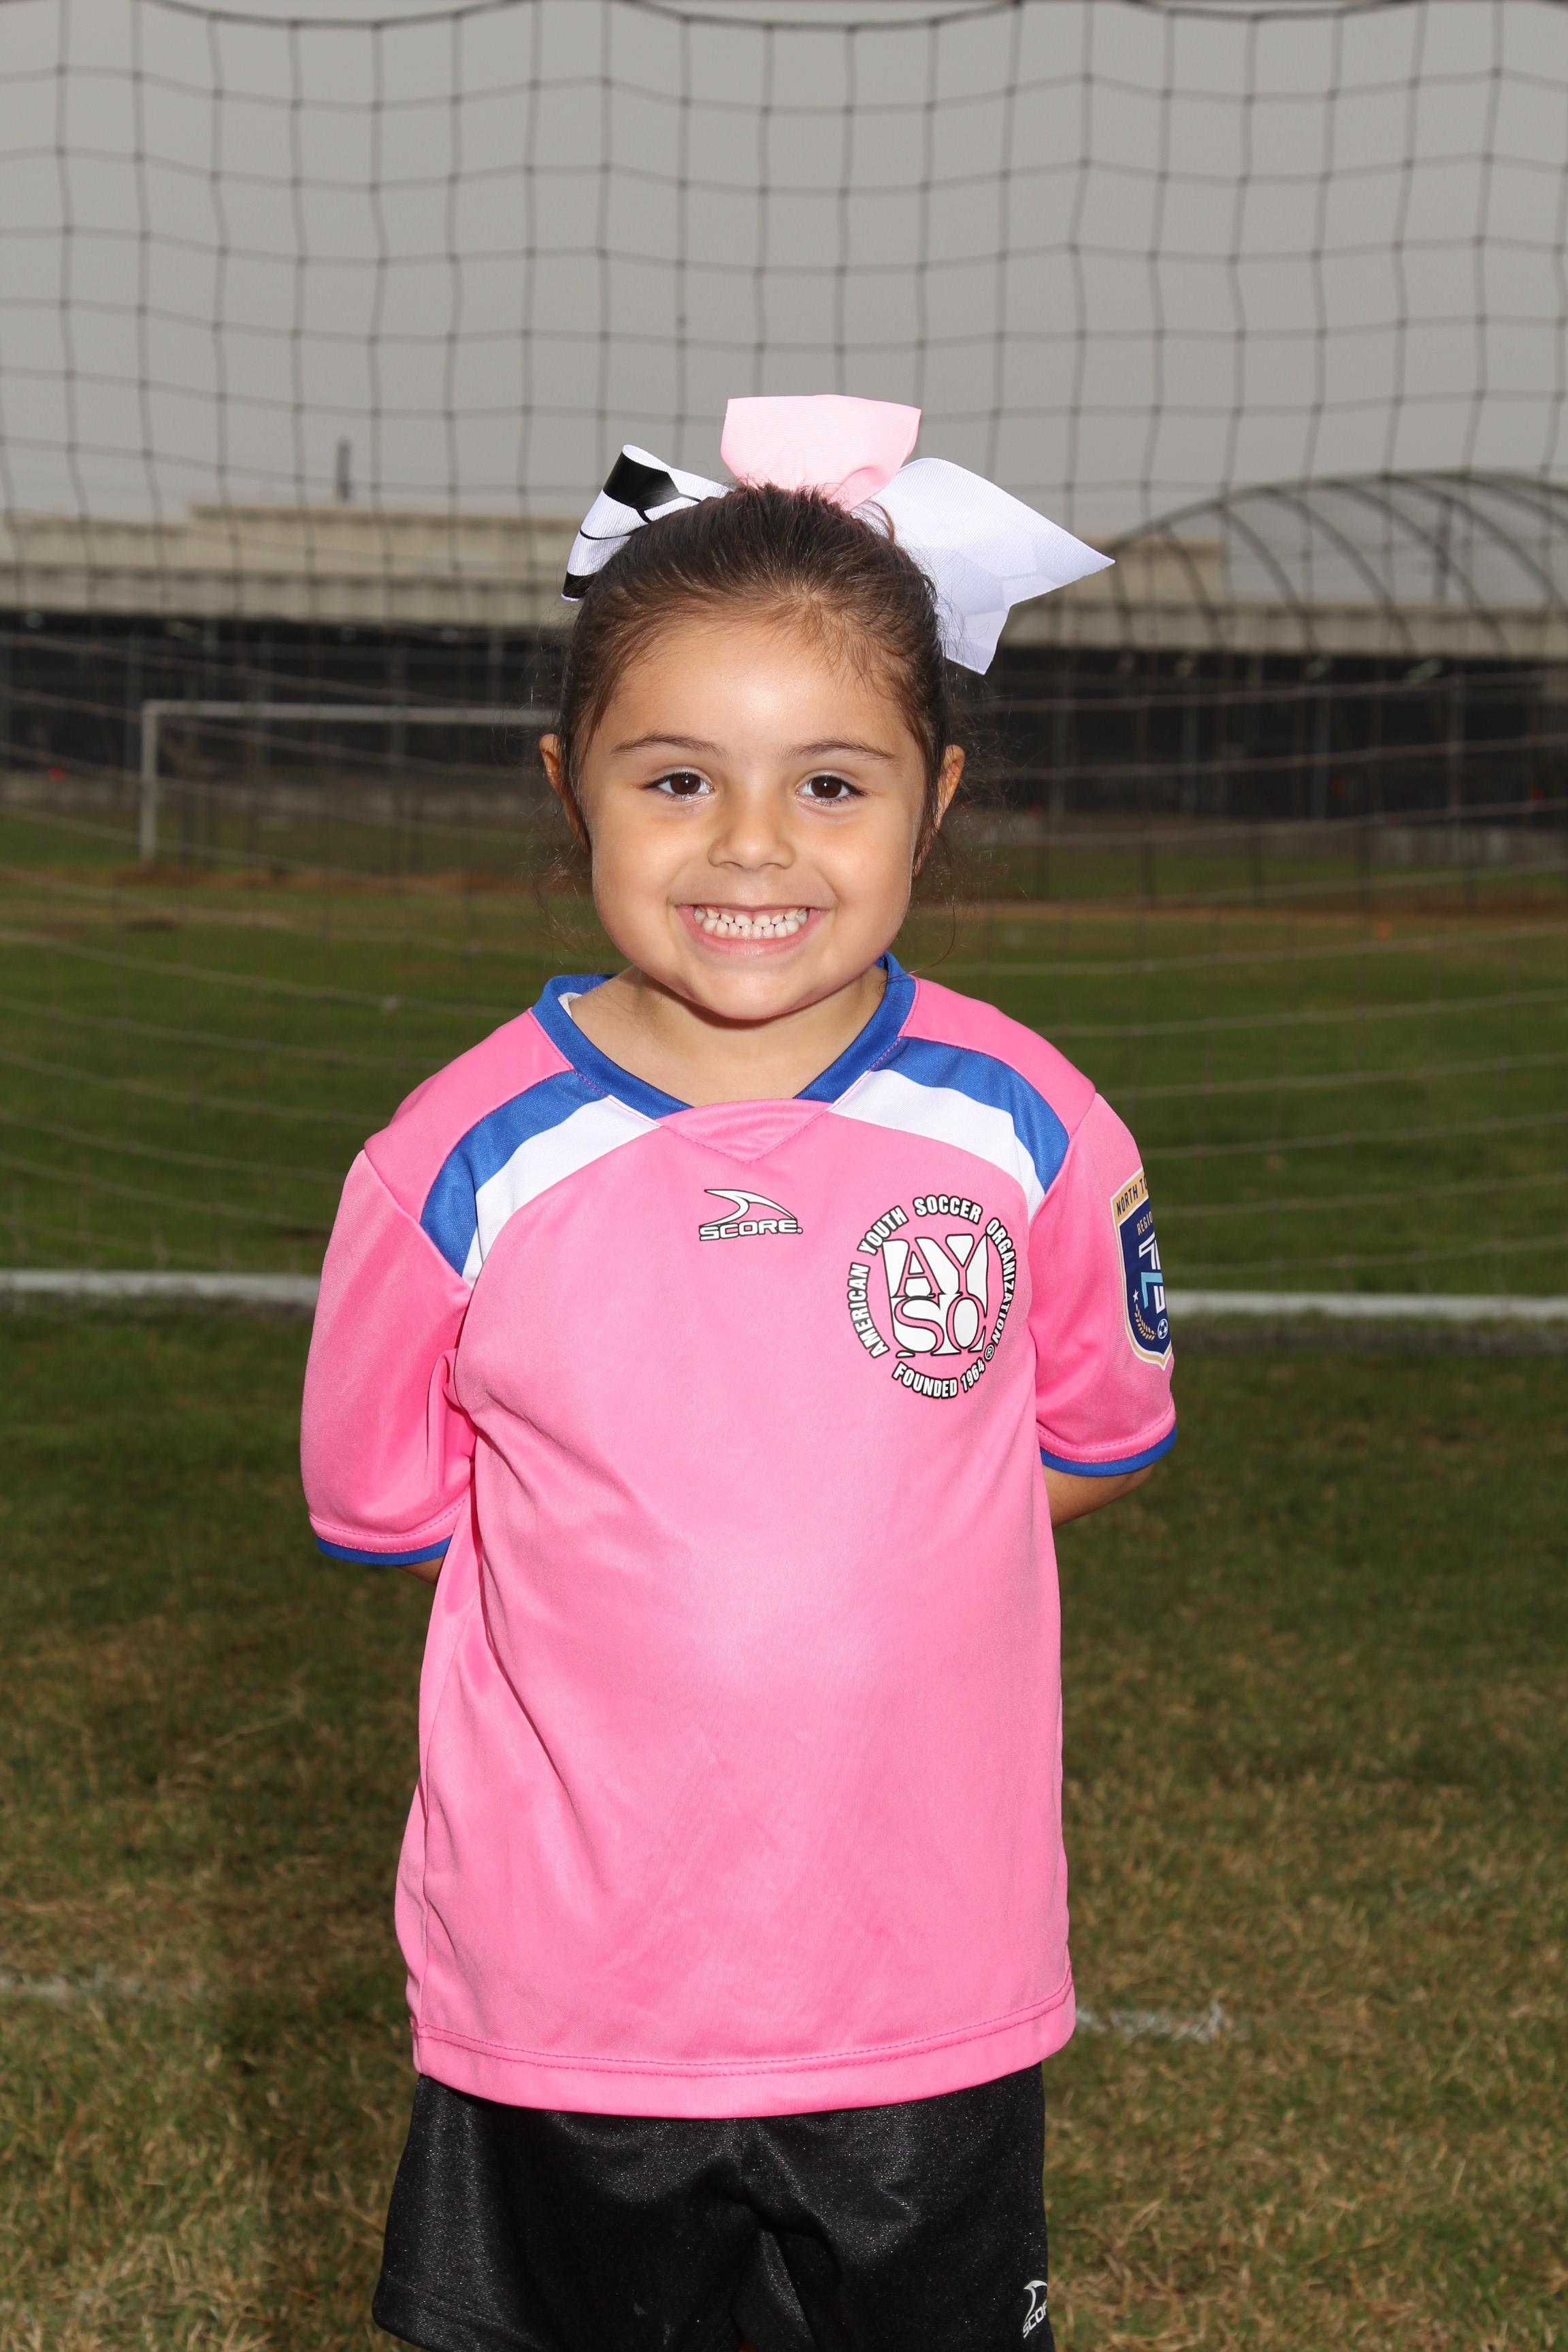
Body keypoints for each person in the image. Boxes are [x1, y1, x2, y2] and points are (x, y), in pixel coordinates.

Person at [300, 395, 1176, 2352]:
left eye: (833, 784)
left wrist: (873, 1546)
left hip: (926, 1991)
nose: (754, 846)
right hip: (570, 2004)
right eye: (680, 779)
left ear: (938, 800)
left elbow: (1093, 1440)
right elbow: (392, 1516)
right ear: (570, 789)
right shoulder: (451, 1166)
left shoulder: (1032, 1127)